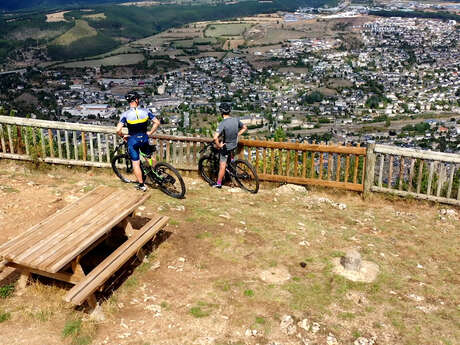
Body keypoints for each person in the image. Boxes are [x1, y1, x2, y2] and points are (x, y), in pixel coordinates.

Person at [116, 91, 160, 191]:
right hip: (144, 138)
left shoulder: (125, 114)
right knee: (148, 157)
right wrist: (150, 133)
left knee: (136, 163)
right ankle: (158, 172)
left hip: (133, 140)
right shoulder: (145, 111)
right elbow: (157, 122)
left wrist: (123, 136)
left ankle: (142, 185)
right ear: (136, 100)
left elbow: (118, 130)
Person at [212, 102, 247, 188]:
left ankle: (219, 183)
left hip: (226, 147)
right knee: (230, 157)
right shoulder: (235, 120)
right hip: (234, 145)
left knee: (222, 165)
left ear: (221, 112)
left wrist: (219, 146)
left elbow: (215, 138)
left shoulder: (223, 123)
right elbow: (245, 127)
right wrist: (237, 134)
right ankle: (231, 162)